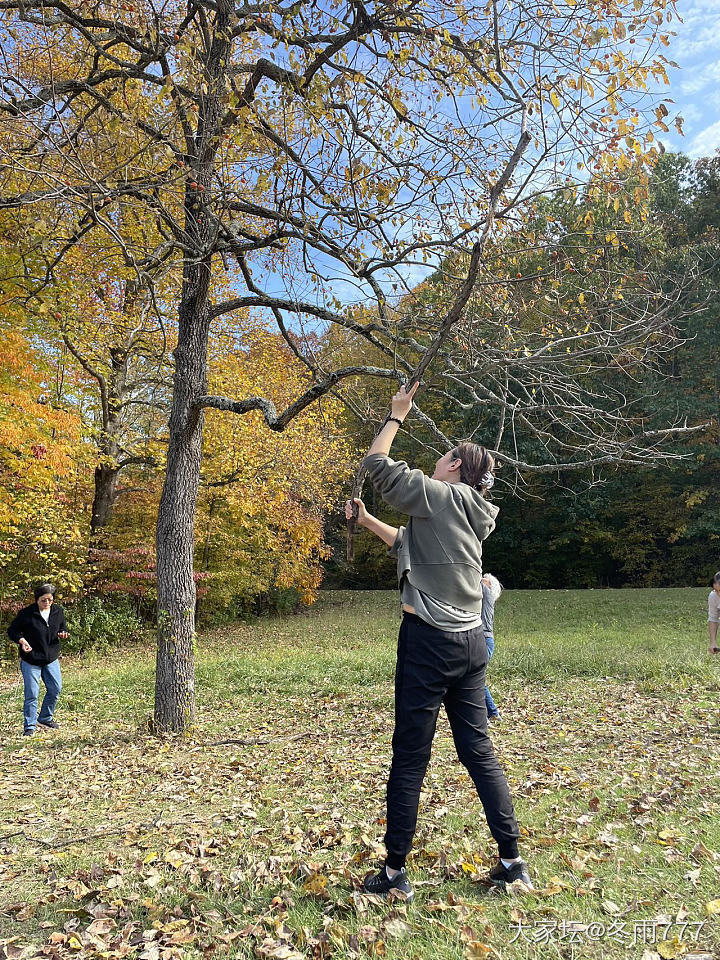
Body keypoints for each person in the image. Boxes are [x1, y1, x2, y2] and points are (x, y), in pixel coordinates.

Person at [345, 383, 532, 901]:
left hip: (428, 644)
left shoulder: (439, 494)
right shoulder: (469, 510)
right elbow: (408, 543)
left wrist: (395, 417)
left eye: (443, 457)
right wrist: (366, 521)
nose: (435, 462)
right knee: (478, 752)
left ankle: (394, 873)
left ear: (453, 467)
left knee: (410, 755)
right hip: (471, 643)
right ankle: (513, 863)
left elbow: (376, 466)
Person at [7, 582, 69, 736]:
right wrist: (22, 641)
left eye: (50, 599)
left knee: (55, 688)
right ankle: (29, 726)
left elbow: (62, 627)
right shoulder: (26, 614)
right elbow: (12, 631)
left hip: (51, 658)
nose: (47, 603)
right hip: (31, 659)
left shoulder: (58, 611)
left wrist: (63, 633)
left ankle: (45, 718)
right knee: (32, 693)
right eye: (43, 600)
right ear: (37, 599)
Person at [481, 573, 503, 722]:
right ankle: (492, 713)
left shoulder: (487, 595)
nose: (482, 580)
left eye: (485, 580)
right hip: (482, 638)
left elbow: (471, 576)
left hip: (484, 639)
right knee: (475, 678)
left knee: (474, 679)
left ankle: (491, 714)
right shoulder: (481, 597)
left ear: (490, 586)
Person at [708, 572, 720, 655]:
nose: (718, 594)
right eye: (716, 590)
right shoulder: (713, 596)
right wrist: (713, 643)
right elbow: (713, 619)